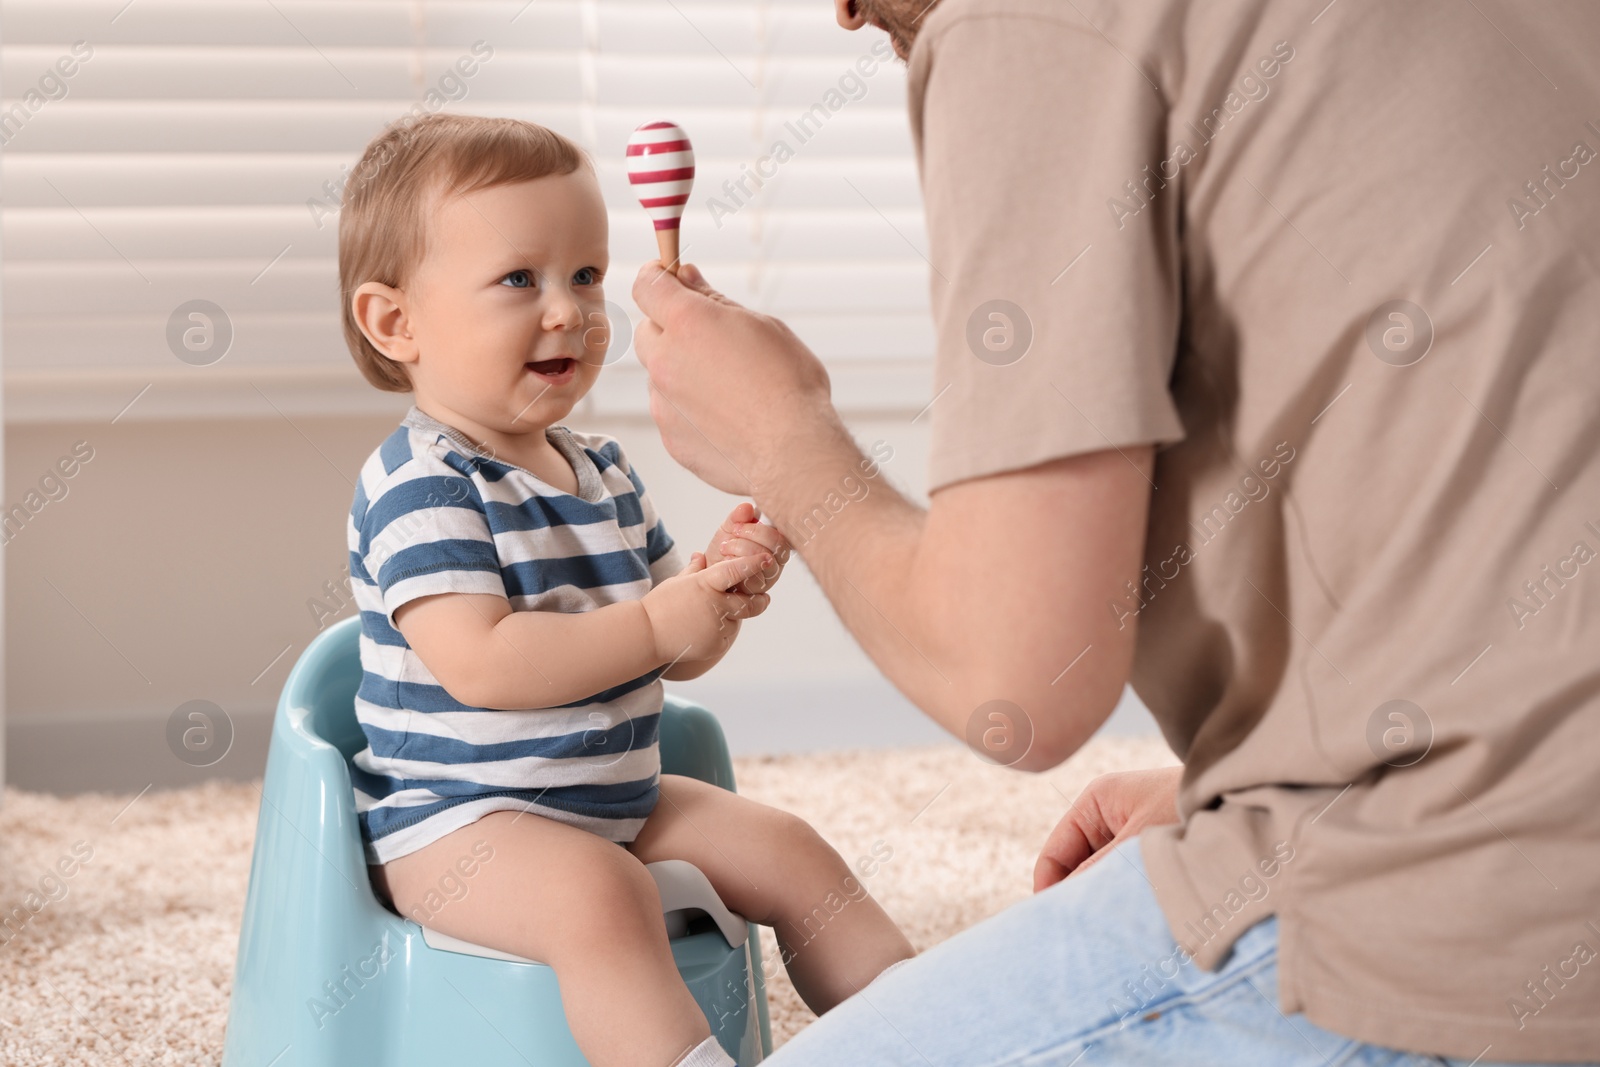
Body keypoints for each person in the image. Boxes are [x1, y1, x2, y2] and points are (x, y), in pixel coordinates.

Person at [629, 0, 1600, 1062]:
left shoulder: (1025, 25)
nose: (843, 12)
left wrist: (784, 438)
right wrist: (1252, 771)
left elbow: (1015, 688)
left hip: (1474, 916)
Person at [338, 112, 915, 1067]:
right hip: (461, 825)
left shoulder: (601, 469)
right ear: (396, 321)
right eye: (520, 278)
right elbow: (483, 664)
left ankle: (930, 1031)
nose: (568, 309)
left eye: (587, 276)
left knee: (788, 847)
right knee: (600, 898)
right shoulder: (422, 486)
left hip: (612, 796)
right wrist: (657, 617)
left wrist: (716, 588)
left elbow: (676, 650)